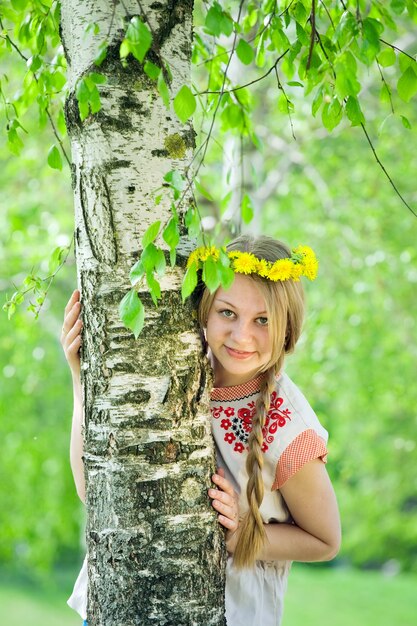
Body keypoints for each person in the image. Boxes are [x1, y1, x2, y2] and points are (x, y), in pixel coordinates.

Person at [61, 234, 341, 626]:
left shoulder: (289, 426)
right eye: (228, 312)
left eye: (263, 320)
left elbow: (326, 541)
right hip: (121, 602)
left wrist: (244, 533)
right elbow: (90, 489)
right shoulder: (169, 365)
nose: (242, 335)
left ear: (287, 329)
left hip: (225, 613)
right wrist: (82, 380)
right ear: (204, 310)